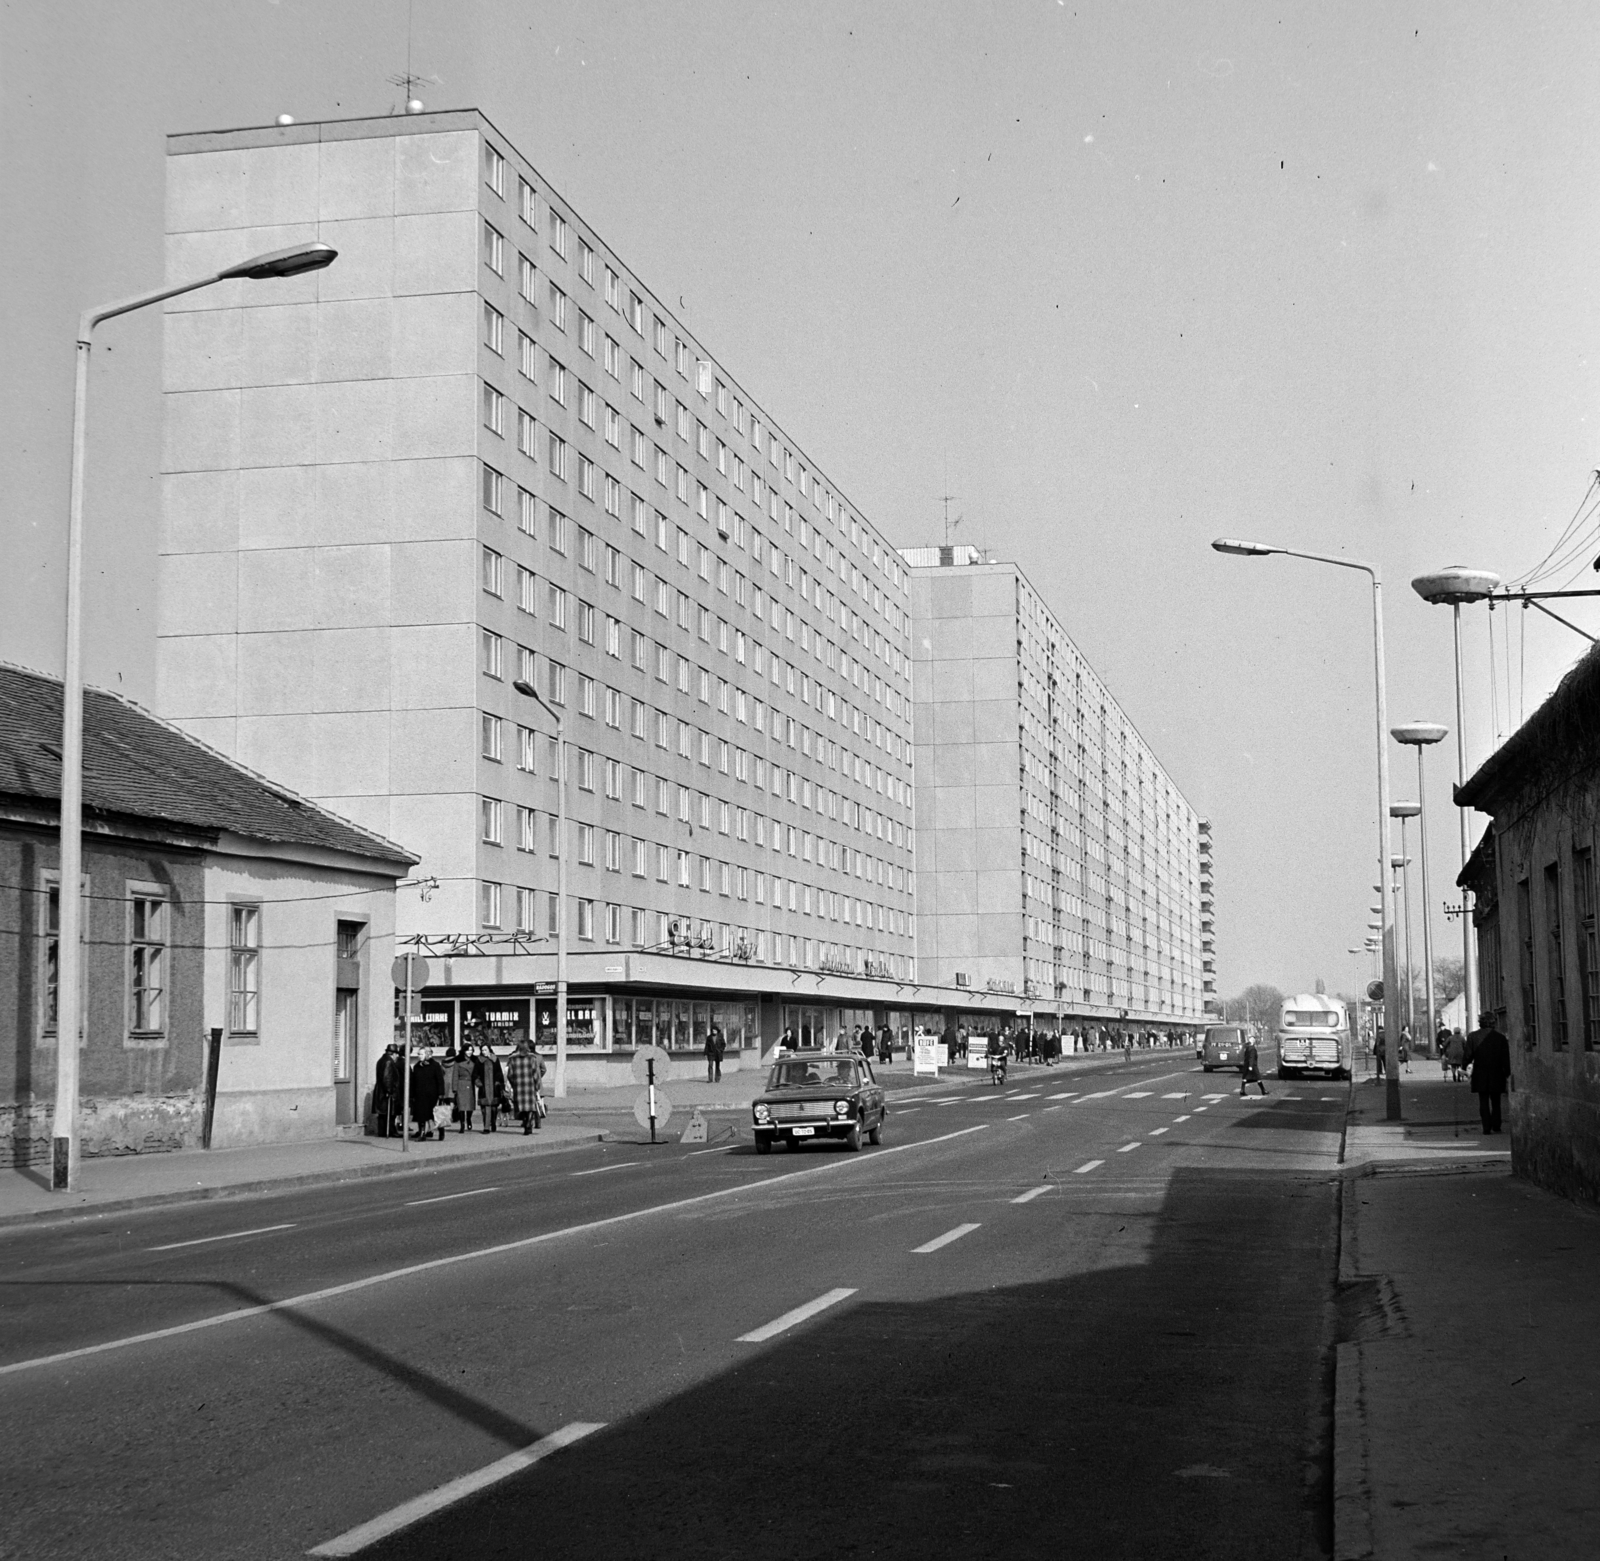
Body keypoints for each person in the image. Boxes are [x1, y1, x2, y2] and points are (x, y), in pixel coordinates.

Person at [1466, 1011, 1512, 1135]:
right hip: (1497, 1073)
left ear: (1480, 1023)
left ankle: (1486, 1127)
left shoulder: (1472, 1037)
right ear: (1493, 1023)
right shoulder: (1500, 1038)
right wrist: (1507, 1073)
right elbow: (1505, 1058)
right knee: (1496, 1101)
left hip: (1480, 1073)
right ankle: (1496, 1125)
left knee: (1483, 1100)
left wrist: (1465, 1066)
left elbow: (1468, 1056)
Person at [505, 1033, 546, 1134]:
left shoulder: (512, 1059)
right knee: (530, 1107)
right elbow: (536, 1074)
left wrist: (514, 1084)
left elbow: (509, 1074)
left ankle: (525, 1122)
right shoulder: (532, 1059)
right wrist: (536, 1086)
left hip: (519, 1086)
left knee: (521, 1107)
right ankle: (528, 1123)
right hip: (530, 1086)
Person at [409, 1048, 444, 1141]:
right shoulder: (417, 1066)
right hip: (419, 1094)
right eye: (418, 1054)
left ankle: (441, 1131)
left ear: (427, 1055)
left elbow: (440, 1080)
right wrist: (411, 1094)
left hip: (432, 1095)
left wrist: (441, 1093)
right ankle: (422, 1133)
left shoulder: (435, 1065)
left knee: (434, 1114)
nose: (419, 1056)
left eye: (421, 1054)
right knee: (421, 1115)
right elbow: (413, 1082)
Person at [450, 1047, 475, 1132]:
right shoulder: (458, 1061)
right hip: (461, 1084)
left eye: (471, 1050)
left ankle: (469, 1119)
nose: (470, 1052)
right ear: (464, 1051)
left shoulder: (474, 1060)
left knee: (470, 1105)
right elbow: (455, 1075)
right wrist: (454, 1088)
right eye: (468, 1050)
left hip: (471, 1084)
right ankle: (462, 1124)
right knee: (461, 1106)